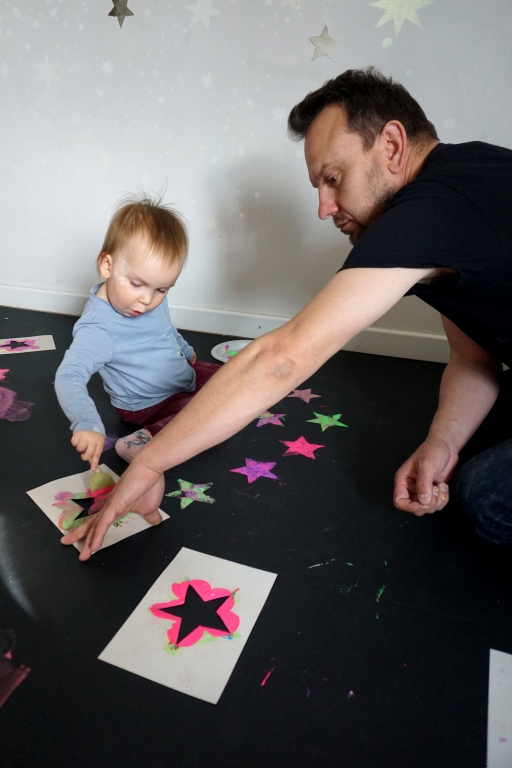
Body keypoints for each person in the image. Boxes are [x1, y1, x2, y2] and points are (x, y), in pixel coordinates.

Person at [61, 67, 512, 560]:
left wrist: (148, 464)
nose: (324, 207)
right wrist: (443, 441)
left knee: (481, 499)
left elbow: (283, 359)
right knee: (460, 451)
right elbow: (474, 358)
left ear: (391, 145)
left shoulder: (429, 213)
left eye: (333, 179)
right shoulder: (464, 186)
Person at [55, 195, 220, 471]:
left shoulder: (150, 296)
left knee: (230, 381)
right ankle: (142, 442)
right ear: (107, 266)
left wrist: (185, 349)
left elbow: (164, 328)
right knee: (201, 417)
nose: (148, 300)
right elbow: (69, 376)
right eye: (137, 284)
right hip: (149, 404)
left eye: (162, 289)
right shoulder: (98, 328)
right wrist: (87, 422)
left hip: (180, 377)